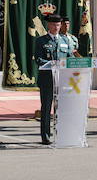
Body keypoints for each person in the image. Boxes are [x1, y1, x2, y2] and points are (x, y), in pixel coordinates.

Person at [33, 14, 77, 145]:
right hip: (47, 80)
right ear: (49, 25)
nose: (56, 27)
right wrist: (52, 64)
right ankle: (45, 136)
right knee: (46, 108)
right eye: (53, 25)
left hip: (62, 79)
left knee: (61, 108)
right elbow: (39, 59)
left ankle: (61, 133)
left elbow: (70, 58)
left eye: (58, 25)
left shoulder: (65, 40)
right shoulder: (41, 41)